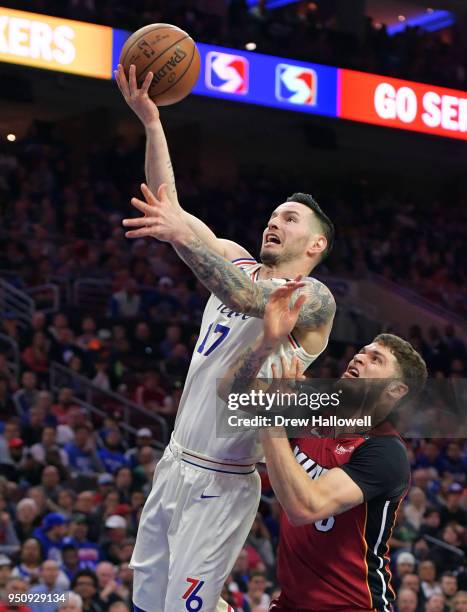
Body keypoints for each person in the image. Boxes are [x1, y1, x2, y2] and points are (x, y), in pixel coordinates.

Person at [115, 64, 336, 612]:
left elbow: (241, 296)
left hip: (224, 479)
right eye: (273, 214)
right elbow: (169, 206)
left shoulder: (314, 298)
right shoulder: (236, 256)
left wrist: (185, 240)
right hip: (175, 459)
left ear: (314, 245)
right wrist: (152, 123)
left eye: (289, 219)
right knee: (144, 602)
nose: (274, 222)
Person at [221, 282, 428, 611]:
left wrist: (271, 414)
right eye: (362, 351)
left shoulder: (385, 452)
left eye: (375, 359)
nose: (360, 356)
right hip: (292, 601)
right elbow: (231, 391)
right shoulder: (315, 406)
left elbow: (305, 508)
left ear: (395, 390)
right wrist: (268, 341)